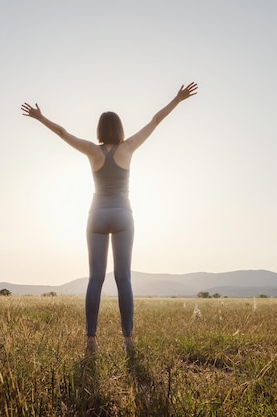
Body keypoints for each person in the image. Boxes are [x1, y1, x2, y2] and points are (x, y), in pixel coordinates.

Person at [21, 82, 198, 352]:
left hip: (97, 216)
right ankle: (127, 340)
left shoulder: (93, 151)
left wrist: (39, 116)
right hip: (123, 214)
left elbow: (62, 132)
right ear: (120, 128)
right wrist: (177, 99)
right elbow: (156, 120)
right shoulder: (128, 148)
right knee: (123, 278)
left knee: (95, 279)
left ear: (100, 130)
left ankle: (91, 340)